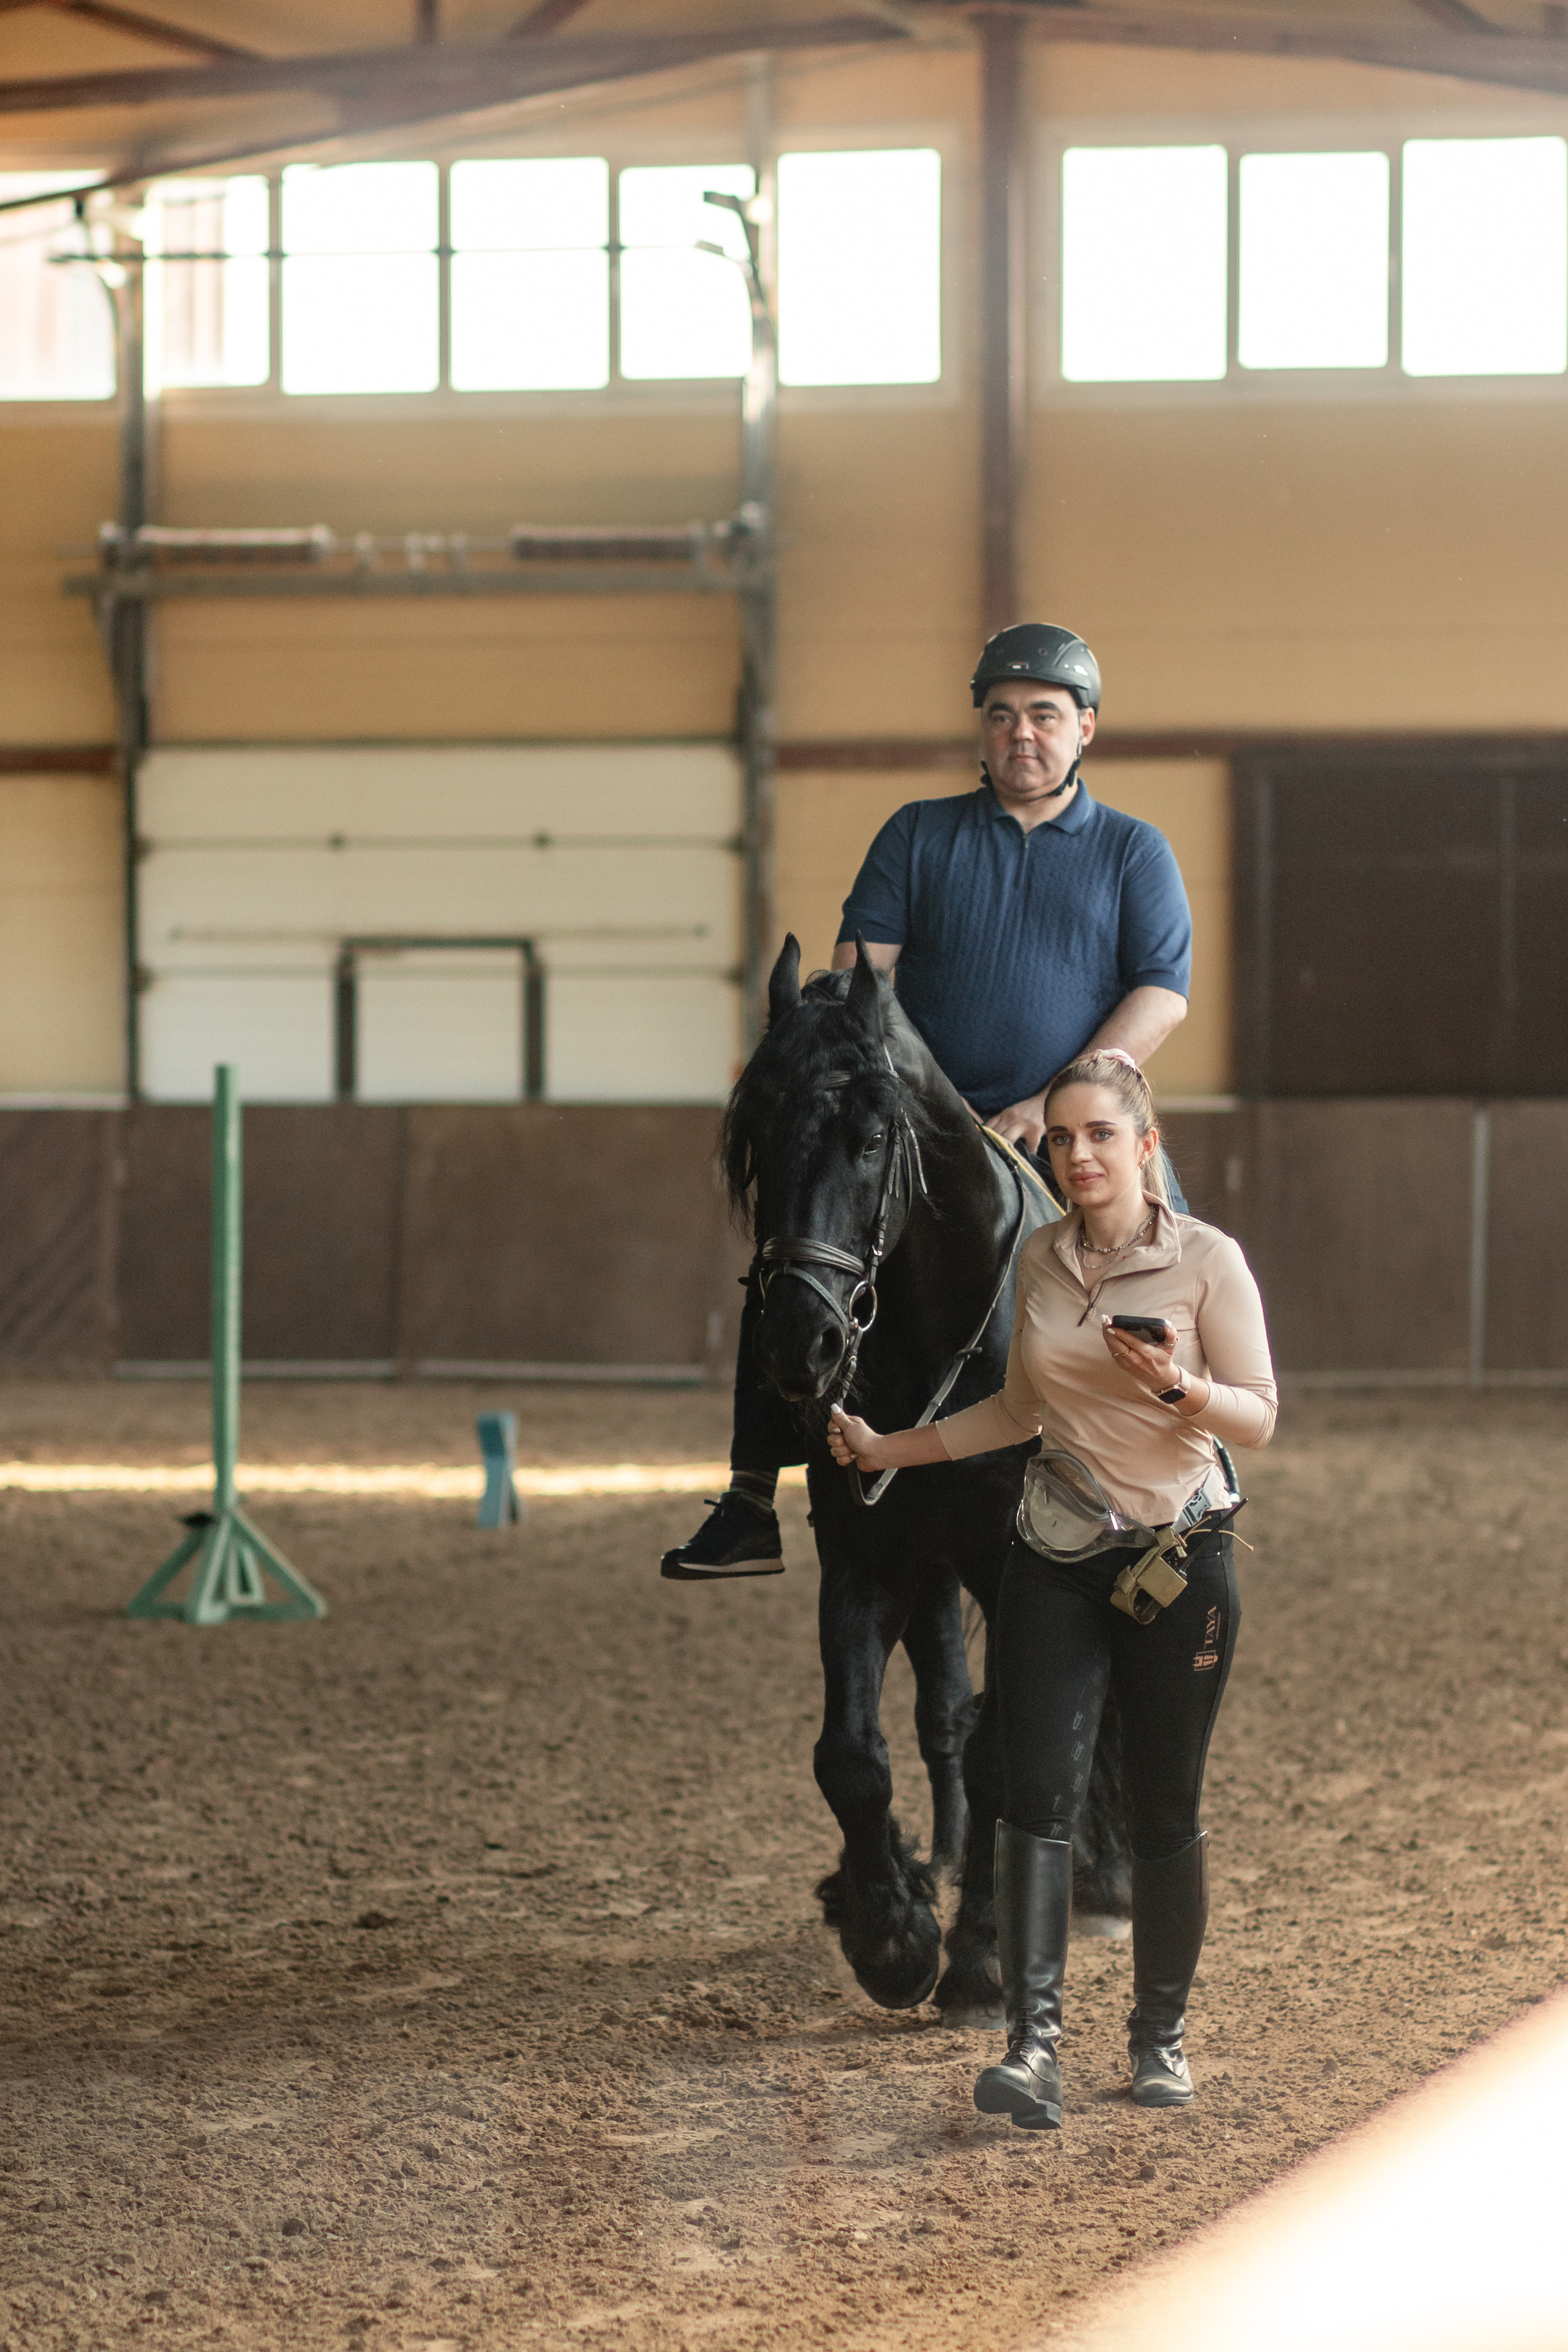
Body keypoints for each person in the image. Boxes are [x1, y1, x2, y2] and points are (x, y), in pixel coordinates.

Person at [662, 622, 1196, 1580]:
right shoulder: (918, 832)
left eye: (1044, 716)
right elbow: (860, 973)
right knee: (801, 1243)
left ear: (1085, 732)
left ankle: (1180, 1476)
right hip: (918, 1127)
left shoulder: (1133, 852)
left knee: (1169, 1246)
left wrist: (1055, 1101)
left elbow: (1161, 993)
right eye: (1001, 717)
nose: (1020, 734)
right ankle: (750, 1494)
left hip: (1070, 1120)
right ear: (981, 732)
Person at [826, 1049, 1276, 2122]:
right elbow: (1017, 1412)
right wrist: (891, 1451)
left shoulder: (1209, 1262)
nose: (1079, 1154)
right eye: (1064, 1138)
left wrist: (1182, 1386)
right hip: (1058, 1558)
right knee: (1035, 1802)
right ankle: (1033, 2049)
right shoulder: (1039, 1262)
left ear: (1145, 1145)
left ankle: (1158, 2042)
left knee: (1166, 1810)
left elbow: (1259, 1414)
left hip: (1182, 1559)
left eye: (1101, 1136)